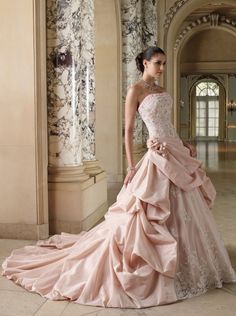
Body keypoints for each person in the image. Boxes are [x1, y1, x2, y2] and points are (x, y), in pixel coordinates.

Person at [2, 46, 236, 308]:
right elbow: (128, 130)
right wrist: (132, 166)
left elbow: (167, 125)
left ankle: (186, 262)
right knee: (148, 211)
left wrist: (183, 142)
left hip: (175, 151)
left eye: (164, 64)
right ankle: (155, 263)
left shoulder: (161, 91)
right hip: (156, 156)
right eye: (157, 63)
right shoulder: (136, 90)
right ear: (145, 63)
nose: (161, 68)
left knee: (185, 210)